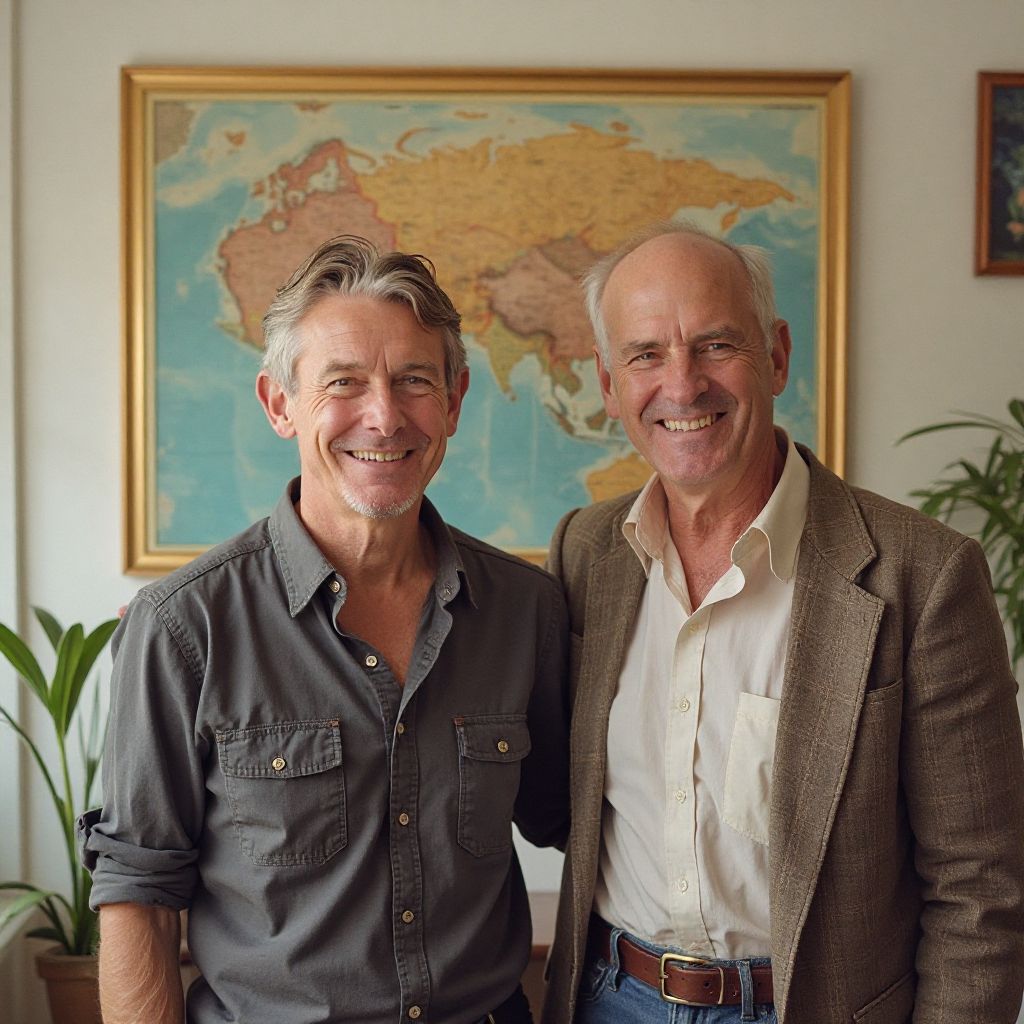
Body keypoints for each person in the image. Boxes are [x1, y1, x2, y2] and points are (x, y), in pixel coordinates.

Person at [541, 222, 1024, 1024]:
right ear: (607, 382)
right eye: (646, 355)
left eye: (715, 344)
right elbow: (559, 798)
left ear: (776, 354)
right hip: (606, 997)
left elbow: (981, 890)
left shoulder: (923, 575)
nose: (684, 384)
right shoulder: (585, 554)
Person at [80, 236, 570, 1024]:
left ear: (454, 400)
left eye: (414, 380)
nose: (384, 415)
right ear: (280, 405)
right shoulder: (183, 626)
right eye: (344, 382)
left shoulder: (526, 611)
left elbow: (581, 824)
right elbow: (137, 891)